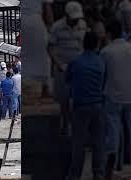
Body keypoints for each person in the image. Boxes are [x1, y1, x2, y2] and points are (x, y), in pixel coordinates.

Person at [66, 32, 106, 180]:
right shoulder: (101, 61)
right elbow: (105, 80)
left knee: (78, 143)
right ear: (96, 45)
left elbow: (68, 79)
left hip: (80, 106)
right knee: (98, 142)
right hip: (97, 105)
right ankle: (99, 174)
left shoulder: (76, 61)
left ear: (83, 43)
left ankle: (75, 175)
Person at [49, 1, 87, 134]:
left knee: (78, 98)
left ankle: (77, 125)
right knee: (63, 99)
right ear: (67, 15)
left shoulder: (83, 25)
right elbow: (51, 48)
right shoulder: (57, 27)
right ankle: (65, 123)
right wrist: (59, 64)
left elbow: (84, 45)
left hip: (79, 68)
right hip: (62, 67)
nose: (76, 21)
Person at [100, 20, 131, 180]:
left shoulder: (106, 51)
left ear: (110, 33)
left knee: (113, 131)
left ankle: (113, 162)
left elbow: (102, 75)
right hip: (129, 96)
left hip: (112, 96)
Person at [23, 0, 53, 98]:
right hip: (36, 21)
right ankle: (45, 87)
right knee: (43, 54)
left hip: (21, 19)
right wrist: (50, 27)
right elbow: (47, 10)